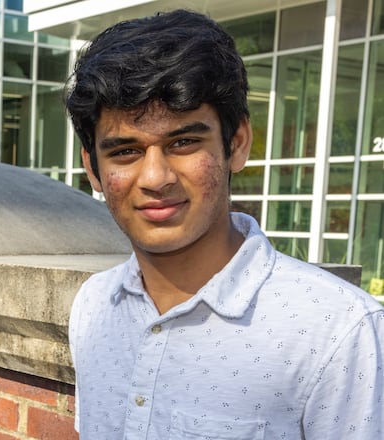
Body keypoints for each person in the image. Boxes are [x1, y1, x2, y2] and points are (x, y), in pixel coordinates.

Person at [65, 9, 384, 439]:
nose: (156, 178)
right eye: (125, 151)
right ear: (92, 167)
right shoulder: (93, 306)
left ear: (236, 144)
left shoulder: (339, 332)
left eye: (183, 142)